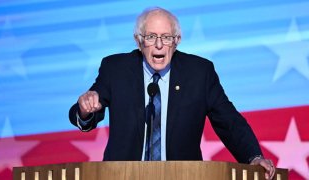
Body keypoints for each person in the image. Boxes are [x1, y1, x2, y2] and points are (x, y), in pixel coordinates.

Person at [69, 7, 275, 179]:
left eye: (166, 37)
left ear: (177, 41)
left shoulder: (199, 73)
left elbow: (229, 122)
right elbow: (86, 114)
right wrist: (85, 109)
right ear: (138, 41)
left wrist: (253, 157)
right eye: (150, 37)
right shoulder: (116, 68)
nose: (159, 45)